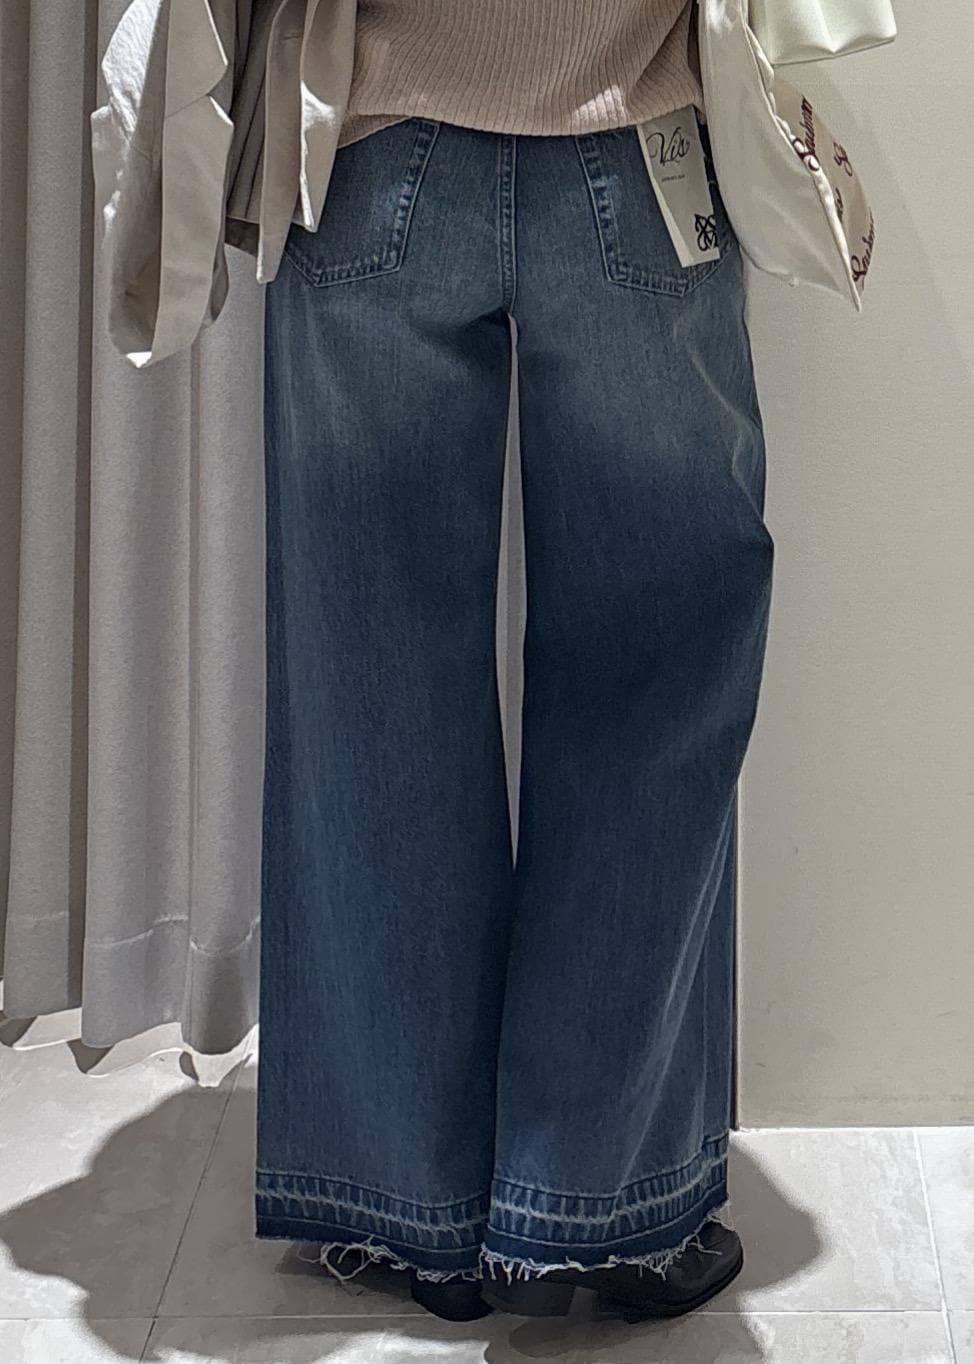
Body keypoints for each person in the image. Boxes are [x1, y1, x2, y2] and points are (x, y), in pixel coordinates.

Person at [252, 0, 773, 1325]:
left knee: (371, 687)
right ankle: (602, 1204)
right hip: (634, 147)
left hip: (374, 150)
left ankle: (399, 1204)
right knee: (655, 680)